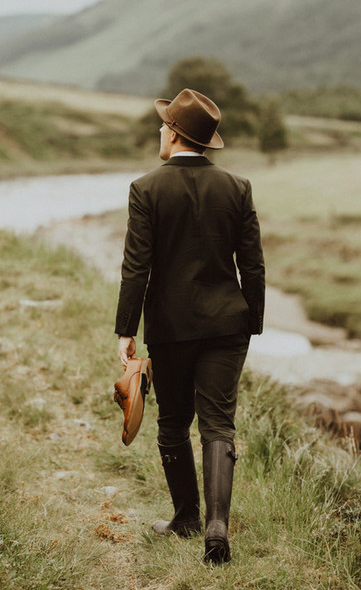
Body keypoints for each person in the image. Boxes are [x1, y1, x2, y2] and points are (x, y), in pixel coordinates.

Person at [115, 87, 265, 564]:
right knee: (219, 425)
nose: (160, 130)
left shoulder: (146, 189)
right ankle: (216, 528)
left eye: (164, 125)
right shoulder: (237, 187)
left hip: (171, 327)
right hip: (228, 325)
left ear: (175, 133)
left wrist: (126, 330)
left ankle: (185, 518)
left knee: (173, 423)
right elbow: (253, 267)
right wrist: (251, 323)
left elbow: (136, 268)